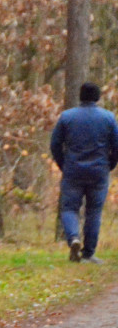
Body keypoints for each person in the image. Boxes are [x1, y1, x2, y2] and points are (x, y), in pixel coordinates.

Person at [50, 82, 118, 264]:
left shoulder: (67, 117)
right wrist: (109, 165)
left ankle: (73, 238)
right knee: (94, 211)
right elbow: (116, 146)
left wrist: (63, 164)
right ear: (97, 97)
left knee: (69, 208)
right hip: (99, 171)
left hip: (73, 170)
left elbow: (55, 144)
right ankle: (88, 253)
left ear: (80, 96)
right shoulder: (108, 118)